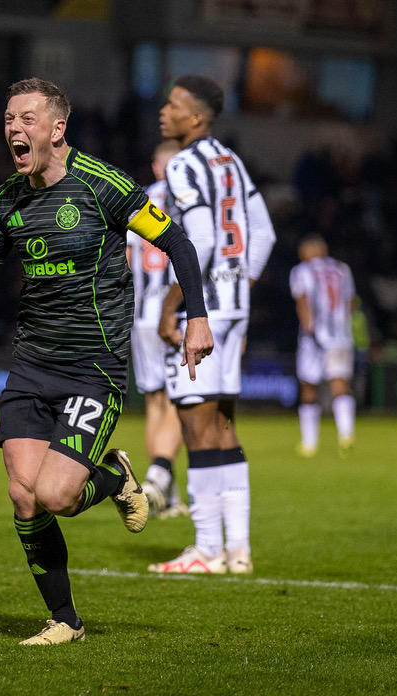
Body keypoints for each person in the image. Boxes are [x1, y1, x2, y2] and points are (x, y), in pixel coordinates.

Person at [0, 78, 213, 646]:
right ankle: (65, 620)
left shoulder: (103, 186)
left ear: (57, 128)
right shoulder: (7, 199)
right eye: (9, 120)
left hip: (95, 363)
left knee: (58, 495)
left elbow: (179, 244)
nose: (14, 130)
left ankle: (113, 476)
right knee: (23, 494)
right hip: (32, 364)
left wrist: (197, 318)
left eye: (27, 119)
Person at [149, 75, 277, 575]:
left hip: (199, 310)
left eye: (174, 105)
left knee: (196, 425)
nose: (165, 110)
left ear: (196, 117)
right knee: (224, 423)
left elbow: (198, 238)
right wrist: (239, 282)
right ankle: (237, 549)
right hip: (233, 305)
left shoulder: (181, 165)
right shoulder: (231, 161)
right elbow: (263, 232)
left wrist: (170, 302)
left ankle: (205, 547)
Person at [133, 139, 188, 518]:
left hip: (141, 313)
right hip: (175, 309)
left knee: (154, 401)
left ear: (155, 167)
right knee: (181, 402)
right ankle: (159, 477)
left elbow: (123, 258)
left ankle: (162, 495)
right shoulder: (185, 200)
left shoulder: (134, 203)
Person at [291, 236, 358, 458]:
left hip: (314, 336)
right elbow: (351, 303)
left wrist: (309, 329)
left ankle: (310, 443)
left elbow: (302, 301)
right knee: (340, 384)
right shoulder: (342, 269)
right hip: (340, 335)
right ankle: (346, 434)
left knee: (309, 387)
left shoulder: (302, 270)